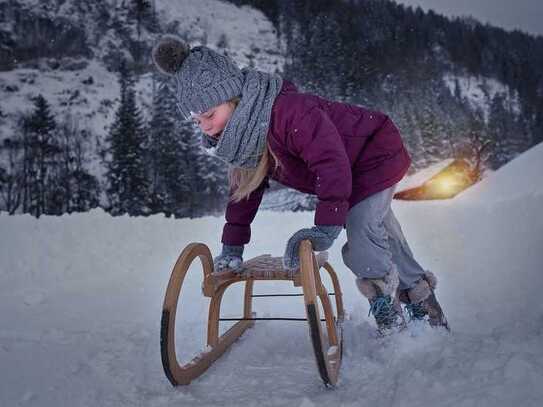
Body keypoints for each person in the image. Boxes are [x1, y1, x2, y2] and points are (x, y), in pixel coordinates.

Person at [151, 35, 448, 334]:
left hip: (374, 155)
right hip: (348, 169)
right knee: (380, 234)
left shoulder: (289, 112)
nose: (205, 126)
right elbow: (245, 192)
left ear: (233, 98)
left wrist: (325, 228)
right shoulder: (243, 139)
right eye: (196, 121)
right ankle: (425, 305)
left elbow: (330, 162)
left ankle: (392, 319)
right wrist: (232, 247)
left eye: (209, 115)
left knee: (362, 233)